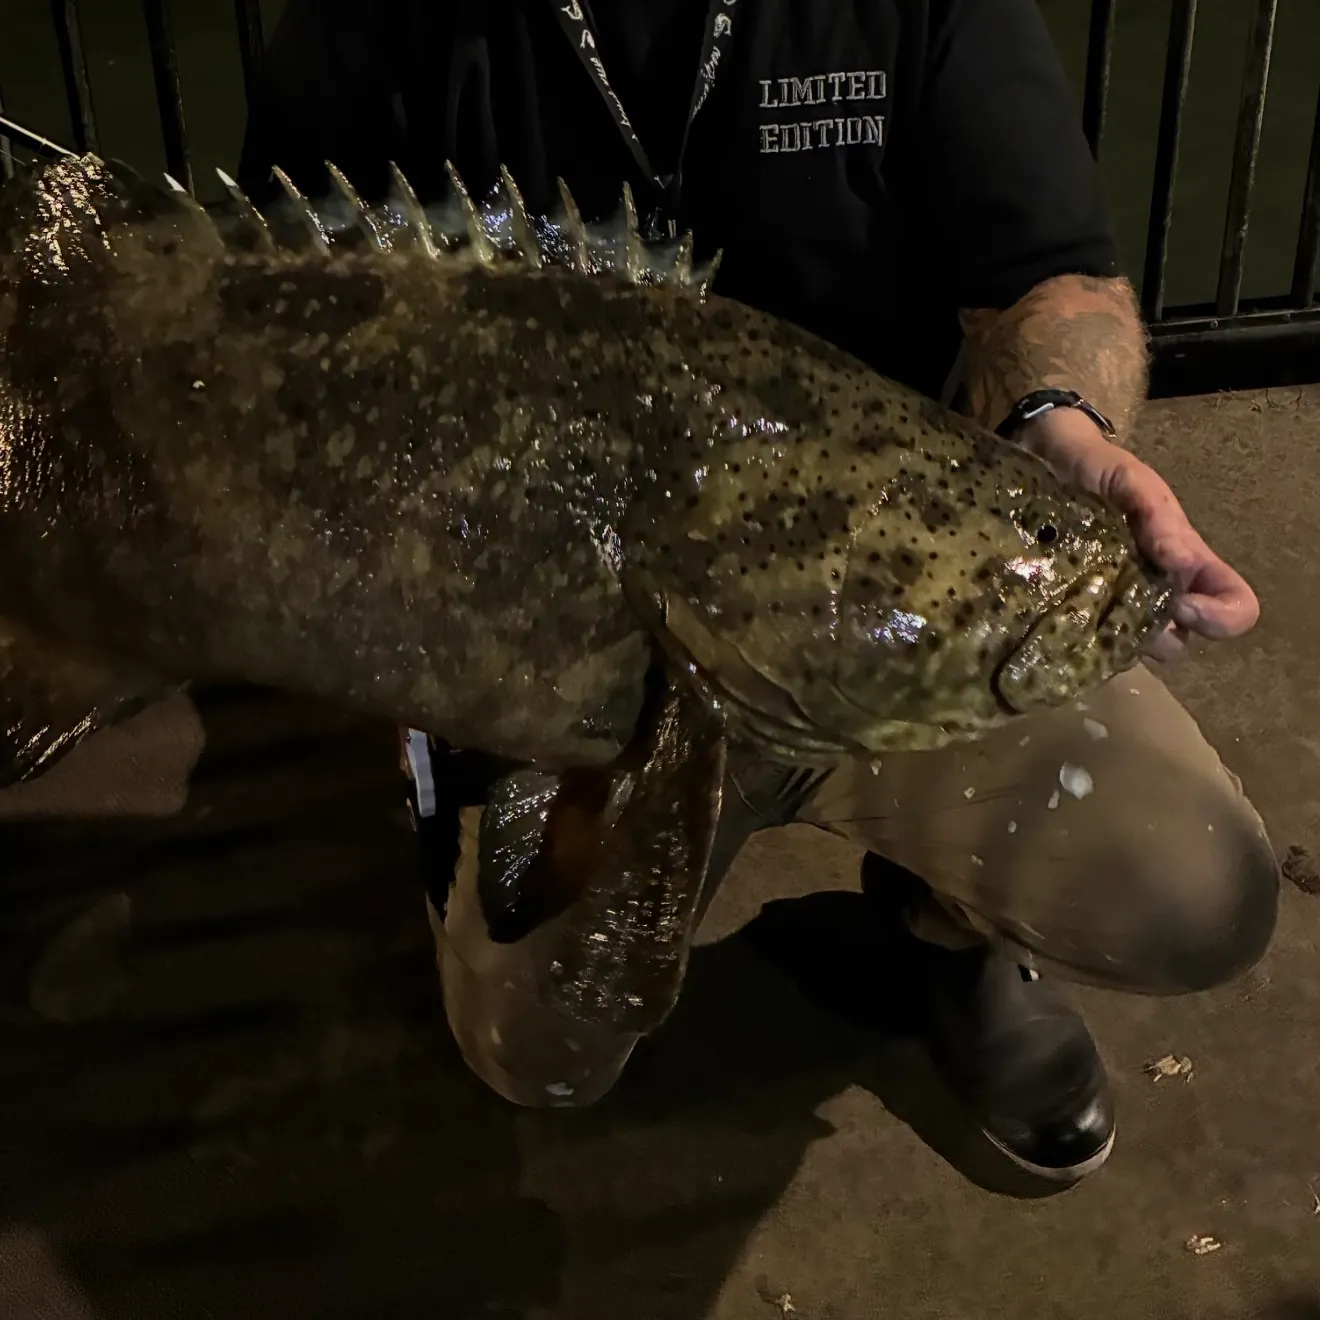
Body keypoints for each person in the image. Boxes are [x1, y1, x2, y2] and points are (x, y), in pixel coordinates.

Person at [238, 0, 1279, 1183]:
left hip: (899, 606)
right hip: (576, 655)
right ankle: (459, 806)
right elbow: (291, 343)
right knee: (541, 1052)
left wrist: (1057, 422)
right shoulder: (365, 31)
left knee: (1194, 888)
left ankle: (939, 932)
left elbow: (1049, 274)